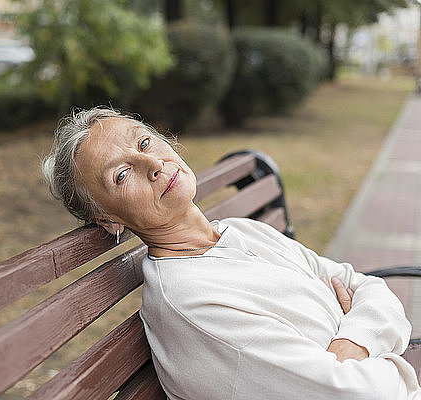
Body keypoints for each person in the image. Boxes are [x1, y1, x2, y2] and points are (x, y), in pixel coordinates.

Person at [42, 106, 421, 399]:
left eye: (144, 143)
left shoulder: (238, 232)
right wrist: (368, 336)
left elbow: (367, 286)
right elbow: (358, 393)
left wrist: (350, 343)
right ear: (109, 219)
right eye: (121, 175)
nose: (154, 164)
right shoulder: (192, 304)